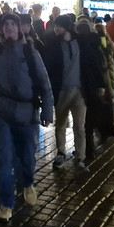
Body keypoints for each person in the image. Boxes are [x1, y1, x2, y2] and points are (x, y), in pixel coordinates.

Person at [0, 14, 53, 222]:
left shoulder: (30, 52)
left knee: (26, 157)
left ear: (18, 28)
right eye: (5, 25)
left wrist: (47, 111)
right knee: (5, 159)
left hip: (26, 113)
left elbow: (44, 83)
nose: (9, 28)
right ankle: (6, 204)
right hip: (2, 112)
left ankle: (27, 182)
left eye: (12, 24)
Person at [76, 19, 114, 162]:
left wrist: (103, 87)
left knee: (92, 123)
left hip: (94, 89)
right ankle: (91, 150)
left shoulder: (88, 47)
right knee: (98, 123)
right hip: (98, 88)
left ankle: (89, 152)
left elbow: (97, 69)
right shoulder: (97, 44)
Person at [42, 14, 88, 170]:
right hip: (61, 90)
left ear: (66, 27)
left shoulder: (80, 42)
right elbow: (49, 67)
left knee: (79, 126)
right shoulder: (54, 44)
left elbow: (89, 63)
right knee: (60, 124)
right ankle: (61, 152)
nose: (56, 29)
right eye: (55, 26)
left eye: (59, 26)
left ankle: (81, 156)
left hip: (79, 91)